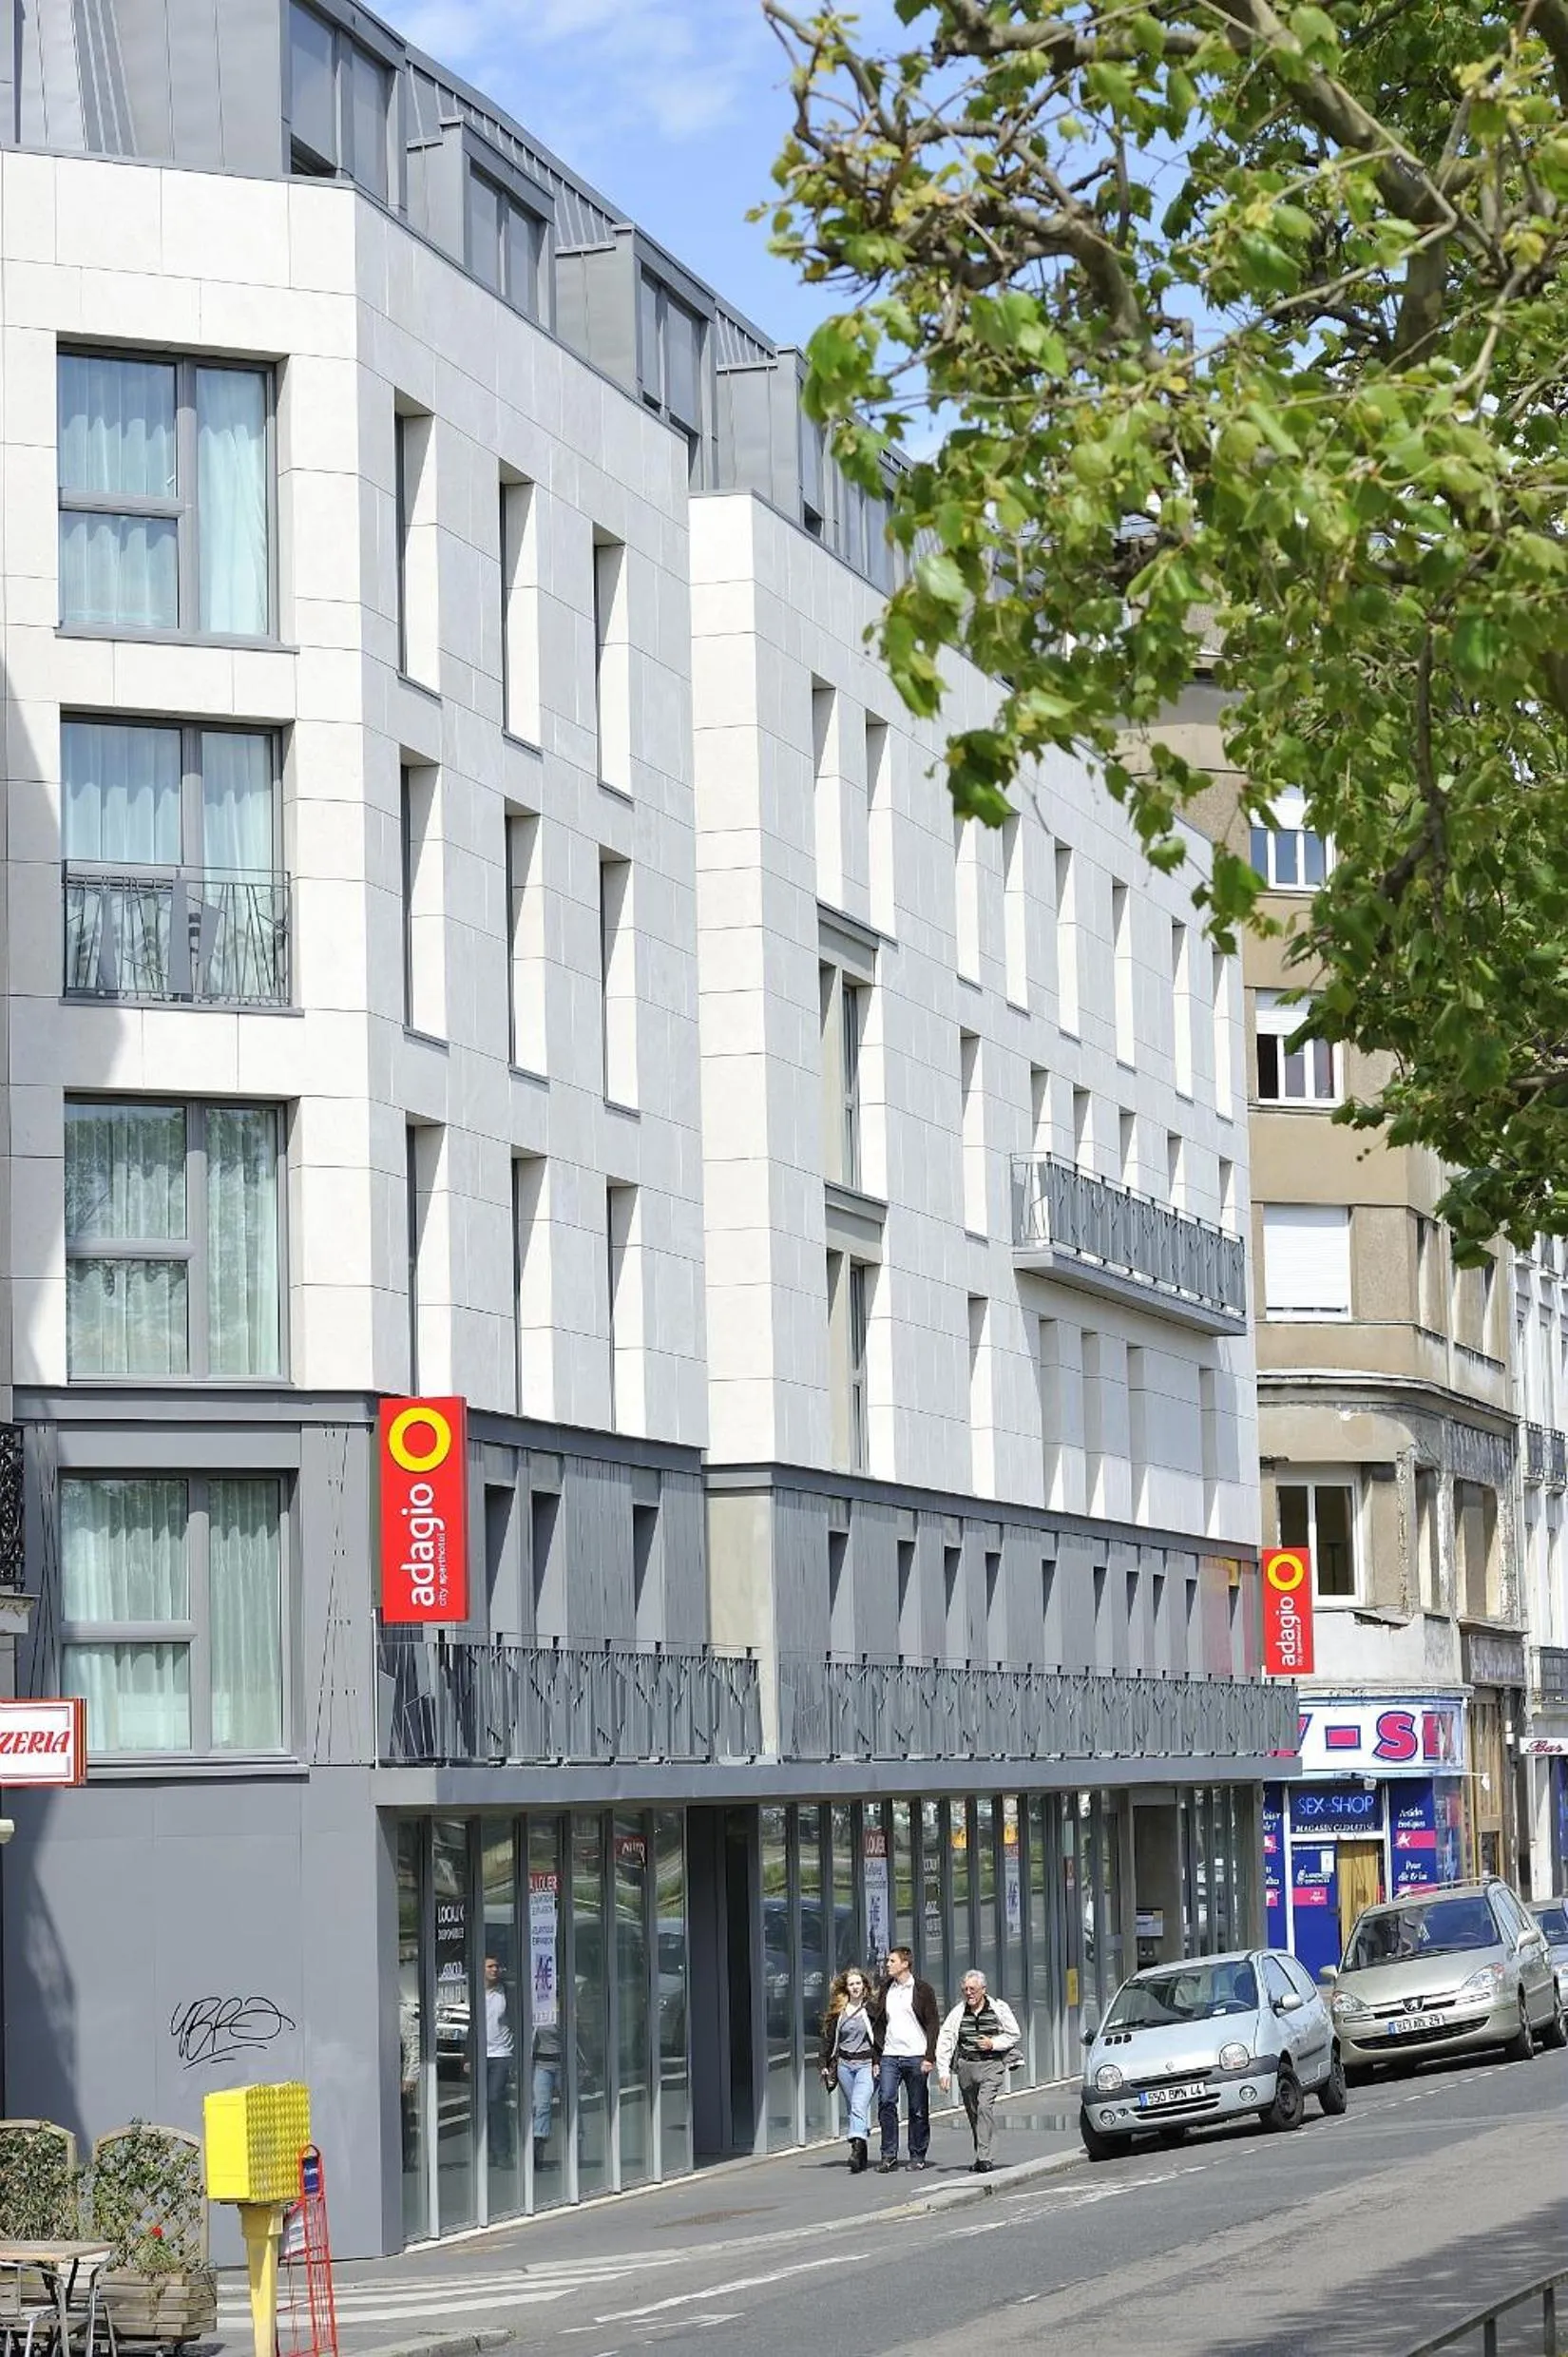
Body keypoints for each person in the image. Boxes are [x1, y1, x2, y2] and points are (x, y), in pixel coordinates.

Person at [936, 1969, 1021, 2174]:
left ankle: (985, 2157)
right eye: (965, 1989)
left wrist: (993, 2043)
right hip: (966, 2065)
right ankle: (981, 2153)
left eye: (972, 1989)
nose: (968, 1993)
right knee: (974, 2113)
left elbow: (1014, 2034)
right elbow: (945, 2040)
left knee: (984, 2107)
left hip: (991, 2065)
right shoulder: (958, 2013)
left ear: (983, 1989)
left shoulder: (999, 2008)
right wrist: (943, 2072)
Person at [869, 1945, 941, 2173]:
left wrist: (930, 2056)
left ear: (905, 1964)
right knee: (886, 2101)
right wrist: (877, 2058)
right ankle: (888, 2154)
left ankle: (917, 2154)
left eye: (892, 1961)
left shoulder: (922, 1990)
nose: (888, 1965)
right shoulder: (886, 1988)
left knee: (917, 2108)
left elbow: (932, 2024)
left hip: (916, 2055)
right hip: (890, 2054)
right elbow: (878, 2024)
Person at [819, 1965, 875, 2173]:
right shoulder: (839, 2012)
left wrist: (878, 2062)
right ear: (846, 1987)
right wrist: (824, 2064)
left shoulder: (872, 2008)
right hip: (844, 2065)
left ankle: (856, 2146)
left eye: (858, 1983)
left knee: (859, 2105)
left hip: (866, 2065)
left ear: (864, 1986)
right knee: (853, 2107)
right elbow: (828, 2039)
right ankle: (860, 2152)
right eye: (851, 1984)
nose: (855, 1987)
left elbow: (878, 2038)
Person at [484, 1956, 515, 2168]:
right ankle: (487, 2151)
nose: (495, 1969)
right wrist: (468, 2056)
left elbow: (518, 2020)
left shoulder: (507, 1992)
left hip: (502, 2054)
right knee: (483, 2104)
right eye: (490, 1966)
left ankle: (503, 2151)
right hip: (481, 2054)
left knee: (495, 2099)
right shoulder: (476, 1993)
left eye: (497, 1966)